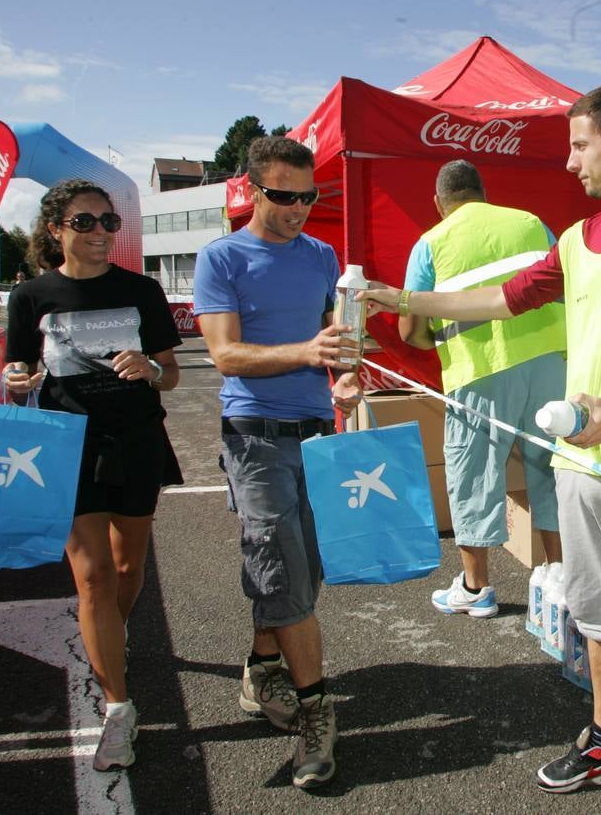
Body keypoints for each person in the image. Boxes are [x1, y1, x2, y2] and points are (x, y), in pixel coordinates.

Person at [364, 82, 601, 815]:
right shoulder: (575, 239)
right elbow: (499, 299)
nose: (570, 162)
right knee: (597, 615)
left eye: (579, 144)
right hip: (578, 463)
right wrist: (402, 300)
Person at [193, 135, 363, 790]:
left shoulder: (322, 255)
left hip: (316, 430)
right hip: (254, 437)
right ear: (251, 192)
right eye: (283, 197)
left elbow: (333, 342)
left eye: (308, 196)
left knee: (303, 567)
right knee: (284, 568)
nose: (298, 209)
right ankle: (317, 713)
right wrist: (308, 354)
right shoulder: (222, 257)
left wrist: (343, 379)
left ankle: (262, 669)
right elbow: (226, 356)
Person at [4, 179, 184, 773]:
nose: (101, 232)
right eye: (85, 222)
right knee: (92, 578)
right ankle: (118, 708)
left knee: (128, 567)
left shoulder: (142, 291)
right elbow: (19, 368)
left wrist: (150, 365)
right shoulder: (31, 296)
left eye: (108, 222)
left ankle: (110, 637)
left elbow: (173, 374)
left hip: (135, 442)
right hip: (69, 447)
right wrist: (16, 381)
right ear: (55, 228)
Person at [400, 159, 567, 618]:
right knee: (553, 470)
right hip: (552, 363)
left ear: (440, 204)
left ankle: (477, 589)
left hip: (479, 371)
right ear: (483, 193)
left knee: (473, 473)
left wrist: (435, 341)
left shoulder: (431, 242)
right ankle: (562, 577)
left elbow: (409, 326)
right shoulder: (531, 223)